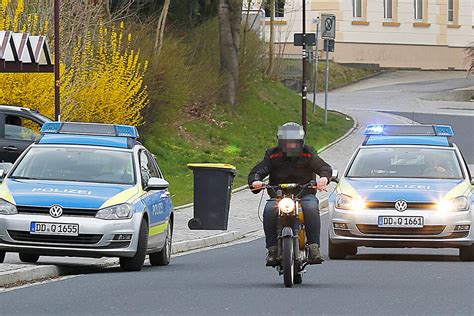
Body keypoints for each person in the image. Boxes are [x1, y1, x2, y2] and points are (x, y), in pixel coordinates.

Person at [248, 122, 332, 266]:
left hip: (304, 193)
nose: (291, 145)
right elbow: (259, 170)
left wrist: (324, 178)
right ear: (281, 142)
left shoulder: (308, 152)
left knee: (311, 208)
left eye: (294, 142)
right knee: (269, 211)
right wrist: (255, 181)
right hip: (279, 195)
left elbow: (323, 167)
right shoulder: (272, 154)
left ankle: (314, 247)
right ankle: (272, 249)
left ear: (300, 141)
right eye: (288, 142)